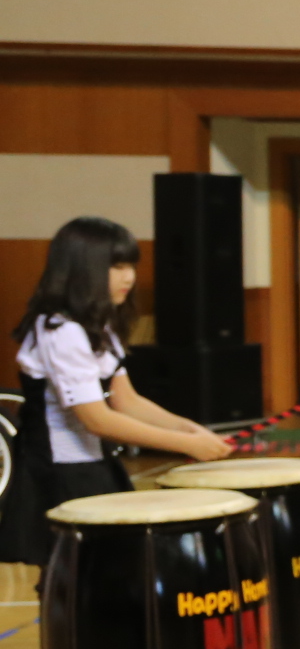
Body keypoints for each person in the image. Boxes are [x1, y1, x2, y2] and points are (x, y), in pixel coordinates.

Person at [2, 216, 235, 572]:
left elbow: (126, 401)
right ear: (83, 268)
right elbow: (97, 419)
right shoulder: (60, 330)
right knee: (74, 577)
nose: (129, 277)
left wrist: (187, 428)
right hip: (58, 472)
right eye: (117, 267)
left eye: (131, 266)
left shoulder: (99, 325)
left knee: (113, 572)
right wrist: (185, 445)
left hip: (94, 463)